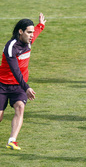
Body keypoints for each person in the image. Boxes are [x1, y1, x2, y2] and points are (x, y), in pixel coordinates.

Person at [0, 13, 46, 150]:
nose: (32, 35)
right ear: (21, 32)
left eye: (32, 32)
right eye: (28, 32)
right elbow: (15, 71)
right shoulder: (11, 47)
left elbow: (36, 32)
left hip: (18, 86)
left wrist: (41, 25)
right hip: (2, 85)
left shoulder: (29, 41)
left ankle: (12, 141)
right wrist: (26, 87)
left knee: (20, 107)